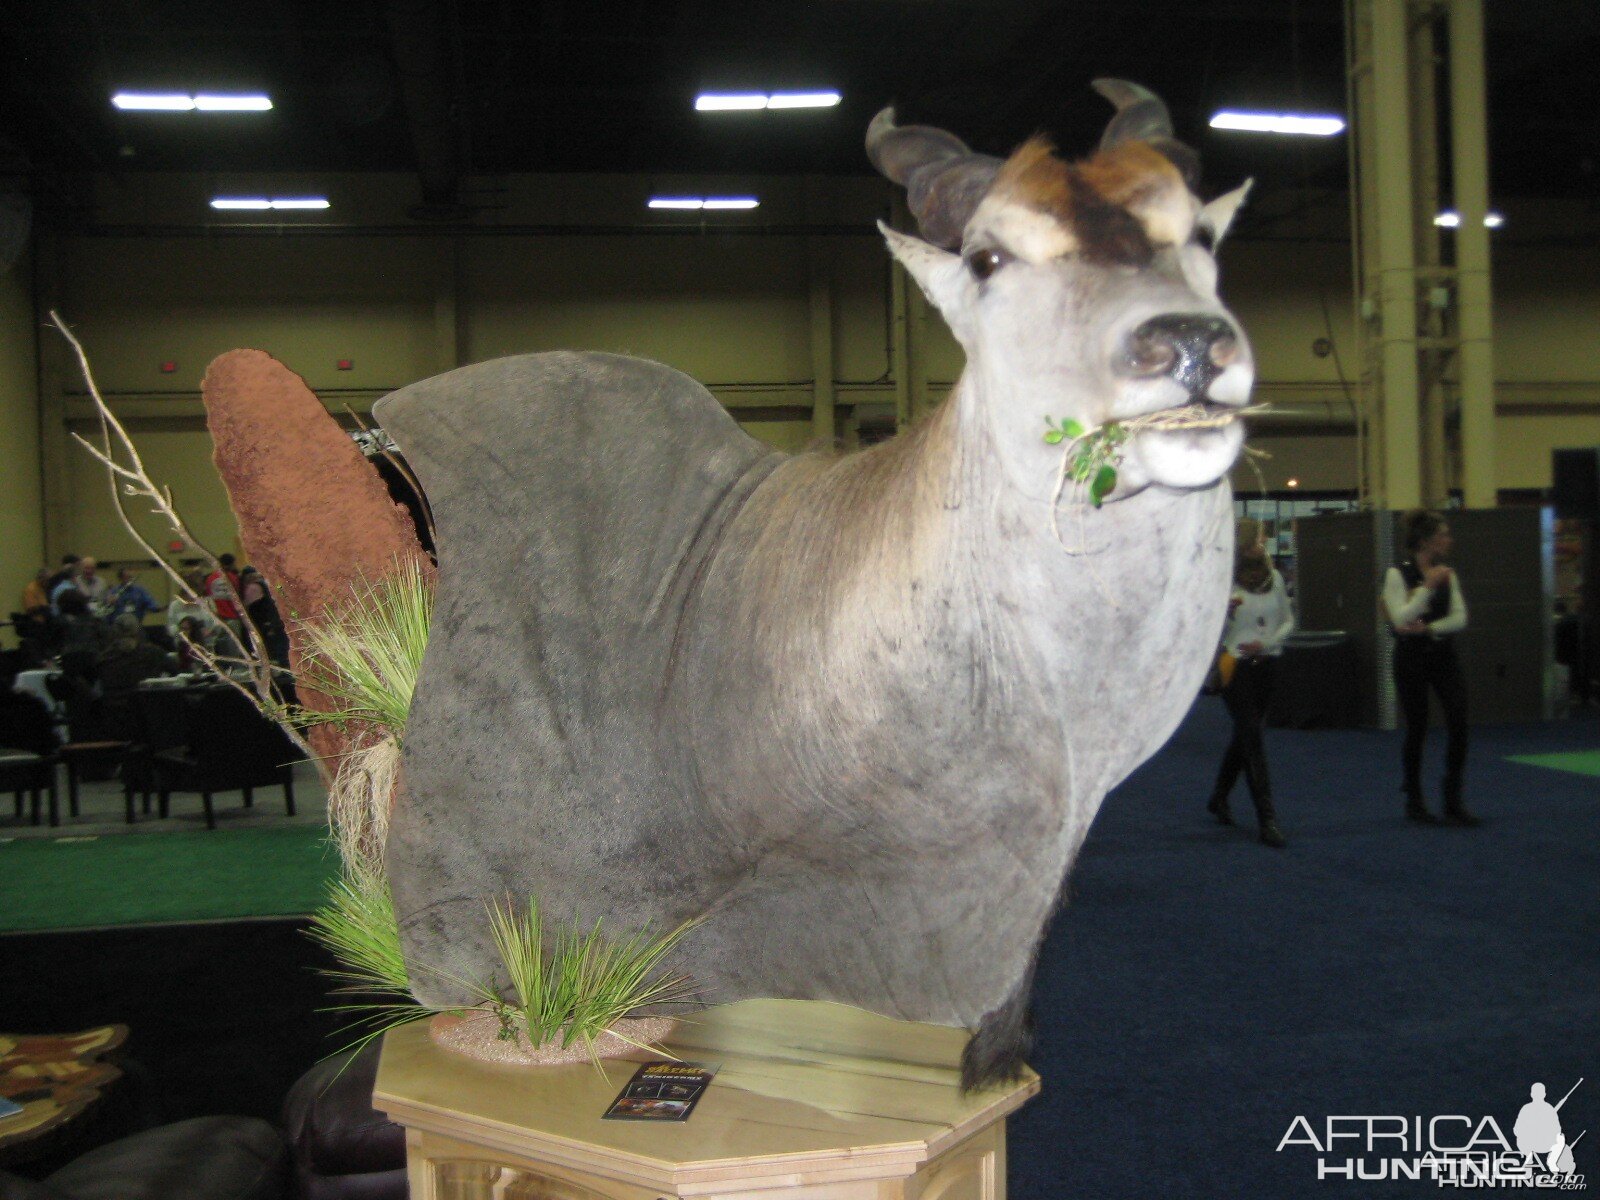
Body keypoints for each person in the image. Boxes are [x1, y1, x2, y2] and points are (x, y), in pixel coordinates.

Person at [1383, 509, 1478, 827]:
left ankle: (1453, 798)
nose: (1449, 540)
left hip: (1442, 656)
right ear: (1426, 542)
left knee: (1459, 721)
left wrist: (1429, 628)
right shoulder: (1397, 574)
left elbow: (1460, 618)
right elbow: (1400, 619)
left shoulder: (1449, 574)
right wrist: (1427, 588)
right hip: (1410, 659)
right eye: (1443, 535)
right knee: (1418, 727)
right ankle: (1414, 797)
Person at [1206, 520, 1294, 848]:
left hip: (1268, 665)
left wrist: (1269, 643)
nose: (1262, 543)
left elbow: (1288, 621)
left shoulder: (1276, 581)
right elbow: (1208, 630)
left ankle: (1219, 795)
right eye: (1256, 539)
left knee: (1246, 734)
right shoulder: (1224, 583)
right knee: (1252, 736)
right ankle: (1267, 818)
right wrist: (1222, 613)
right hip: (1234, 667)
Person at [97, 613, 171, 694]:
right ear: (138, 630)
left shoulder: (104, 659)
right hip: (148, 703)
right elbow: (175, 671)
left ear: (114, 632)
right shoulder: (155, 653)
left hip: (113, 704)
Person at [167, 569, 219, 645]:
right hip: (183, 644)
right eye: (188, 598)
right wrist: (181, 630)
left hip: (207, 643)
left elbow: (217, 624)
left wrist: (211, 631)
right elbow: (170, 628)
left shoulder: (208, 603)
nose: (192, 601)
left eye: (194, 598)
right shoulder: (175, 605)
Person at [204, 553, 244, 652]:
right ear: (231, 564)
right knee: (234, 649)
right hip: (233, 617)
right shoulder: (234, 578)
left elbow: (209, 597)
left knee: (219, 648)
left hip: (217, 617)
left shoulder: (210, 579)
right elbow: (239, 597)